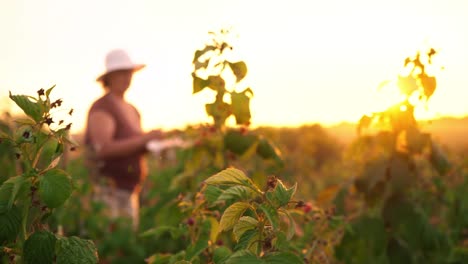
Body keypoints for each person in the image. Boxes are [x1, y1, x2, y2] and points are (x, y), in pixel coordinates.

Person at [84, 49, 163, 230]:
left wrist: (152, 146)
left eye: (128, 73)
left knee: (126, 249)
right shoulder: (102, 107)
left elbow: (133, 146)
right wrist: (146, 139)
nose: (126, 78)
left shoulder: (132, 109)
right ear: (109, 78)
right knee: (109, 248)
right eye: (121, 73)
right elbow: (104, 149)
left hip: (129, 192)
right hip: (107, 192)